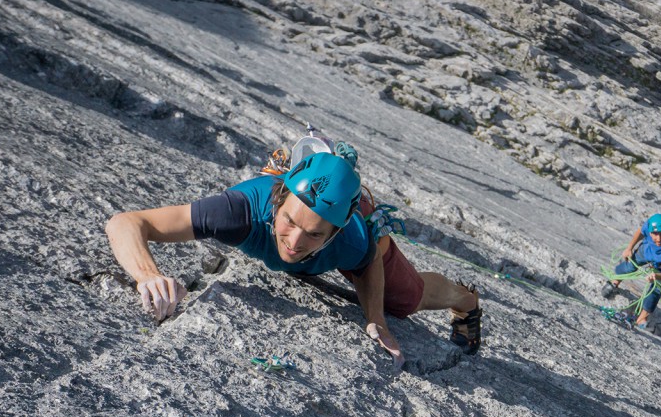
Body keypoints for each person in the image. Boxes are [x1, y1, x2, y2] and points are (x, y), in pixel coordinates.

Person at [105, 139, 482, 368]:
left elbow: (368, 267)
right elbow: (126, 223)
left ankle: (466, 300)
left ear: (333, 233)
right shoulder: (239, 211)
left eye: (314, 234)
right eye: (288, 221)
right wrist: (147, 275)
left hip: (358, 223)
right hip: (302, 205)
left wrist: (376, 319)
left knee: (407, 299)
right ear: (278, 197)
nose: (295, 240)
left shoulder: (351, 239)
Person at [600, 213, 661, 330]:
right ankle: (615, 281)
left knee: (656, 288)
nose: (658, 238)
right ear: (650, 232)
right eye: (655, 234)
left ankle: (642, 318)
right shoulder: (648, 227)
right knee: (630, 266)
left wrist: (657, 276)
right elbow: (640, 232)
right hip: (646, 251)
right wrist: (629, 248)